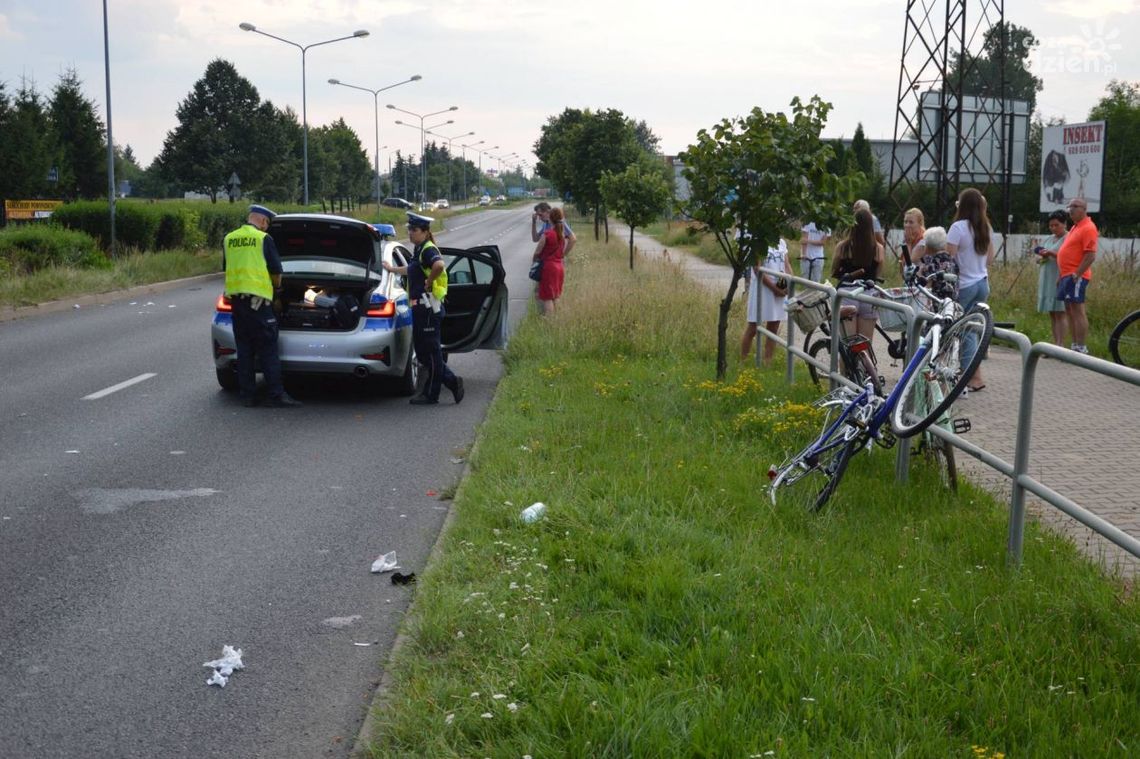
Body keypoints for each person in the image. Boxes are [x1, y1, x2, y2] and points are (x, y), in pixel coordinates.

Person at [382, 213, 464, 405]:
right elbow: (412, 270)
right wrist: (392, 269)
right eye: (409, 229)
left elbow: (439, 265)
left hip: (428, 309)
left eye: (414, 230)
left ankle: (433, 393)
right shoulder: (419, 250)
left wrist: (429, 280)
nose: (410, 233)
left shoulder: (428, 249)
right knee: (425, 353)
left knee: (431, 353)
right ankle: (450, 382)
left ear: (426, 232)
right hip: (420, 310)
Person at [222, 204, 300, 408]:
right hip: (260, 304)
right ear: (263, 221)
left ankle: (247, 396)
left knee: (245, 351)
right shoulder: (263, 239)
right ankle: (276, 395)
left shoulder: (229, 238)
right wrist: (278, 291)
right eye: (267, 224)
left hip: (237, 304)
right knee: (268, 351)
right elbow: (276, 270)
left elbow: (226, 268)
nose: (267, 228)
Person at [946, 187, 996, 391]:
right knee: (973, 329)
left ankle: (972, 376)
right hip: (982, 282)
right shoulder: (985, 228)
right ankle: (972, 373)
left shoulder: (958, 227)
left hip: (964, 284)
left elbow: (949, 258)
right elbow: (990, 258)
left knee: (963, 331)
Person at [831, 208, 884, 341]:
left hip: (847, 294)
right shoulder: (878, 249)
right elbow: (878, 273)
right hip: (869, 296)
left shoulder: (843, 247)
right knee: (864, 347)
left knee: (848, 345)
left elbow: (834, 271)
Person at [1055, 197, 1098, 354]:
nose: (1071, 209)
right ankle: (1074, 344)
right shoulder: (1075, 227)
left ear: (1084, 209)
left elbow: (1090, 255)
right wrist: (1061, 275)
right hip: (1067, 275)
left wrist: (1077, 273)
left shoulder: (1088, 228)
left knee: (1077, 309)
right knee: (1069, 309)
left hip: (1076, 275)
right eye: (1069, 206)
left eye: (1075, 206)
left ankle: (1081, 346)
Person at [741, 238, 792, 365]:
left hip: (780, 287)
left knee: (774, 326)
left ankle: (767, 362)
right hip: (762, 288)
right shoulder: (758, 241)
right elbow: (757, 269)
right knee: (753, 326)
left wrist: (790, 284)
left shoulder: (781, 242)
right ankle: (743, 361)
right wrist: (773, 289)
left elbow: (787, 265)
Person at [1034, 210, 1069, 346]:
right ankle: (1055, 343)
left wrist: (1052, 253)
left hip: (1059, 276)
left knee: (1060, 312)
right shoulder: (1048, 239)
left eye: (1057, 225)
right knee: (1052, 313)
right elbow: (1043, 257)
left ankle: (1061, 344)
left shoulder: (1068, 238)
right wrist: (1042, 257)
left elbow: (1067, 256)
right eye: (1051, 226)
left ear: (1064, 224)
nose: (1054, 228)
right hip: (1047, 276)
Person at [532, 206, 567, 315]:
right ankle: (558, 318)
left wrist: (534, 261)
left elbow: (537, 252)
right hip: (559, 267)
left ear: (551, 218)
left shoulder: (547, 234)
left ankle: (549, 321)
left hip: (548, 268)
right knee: (556, 295)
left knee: (547, 297)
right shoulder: (561, 234)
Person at [901, 207, 927, 274]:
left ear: (920, 224)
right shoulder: (910, 238)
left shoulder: (923, 241)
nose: (907, 225)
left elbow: (908, 266)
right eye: (905, 222)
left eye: (911, 222)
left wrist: (908, 244)